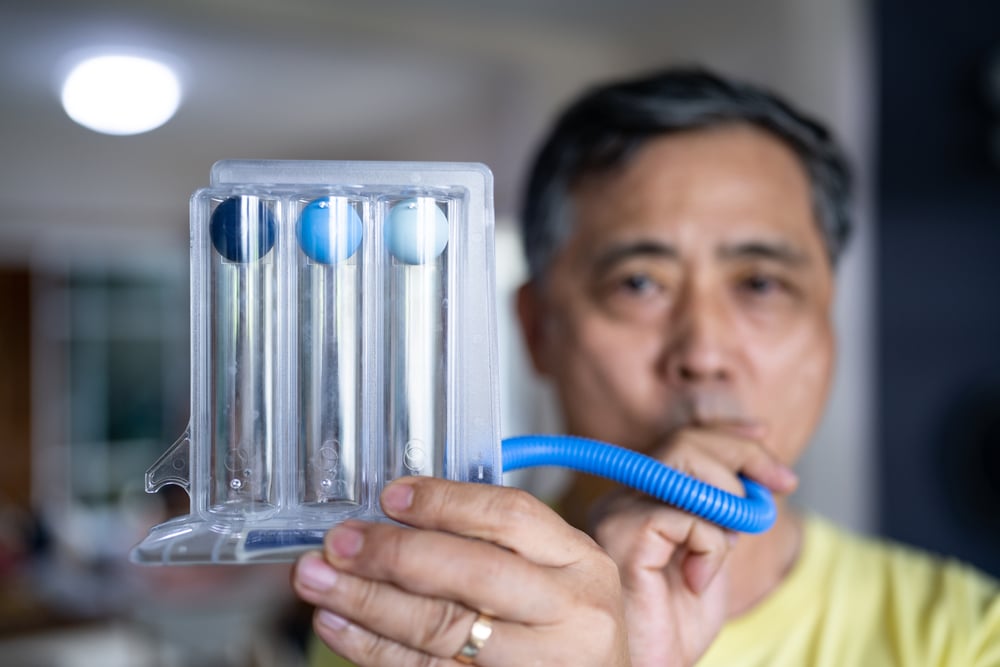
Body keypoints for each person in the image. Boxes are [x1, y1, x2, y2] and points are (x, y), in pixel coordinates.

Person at [292, 67, 1000, 666]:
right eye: (639, 284)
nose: (703, 353)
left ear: (829, 325)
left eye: (761, 285)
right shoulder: (411, 604)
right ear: (537, 328)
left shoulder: (965, 633)